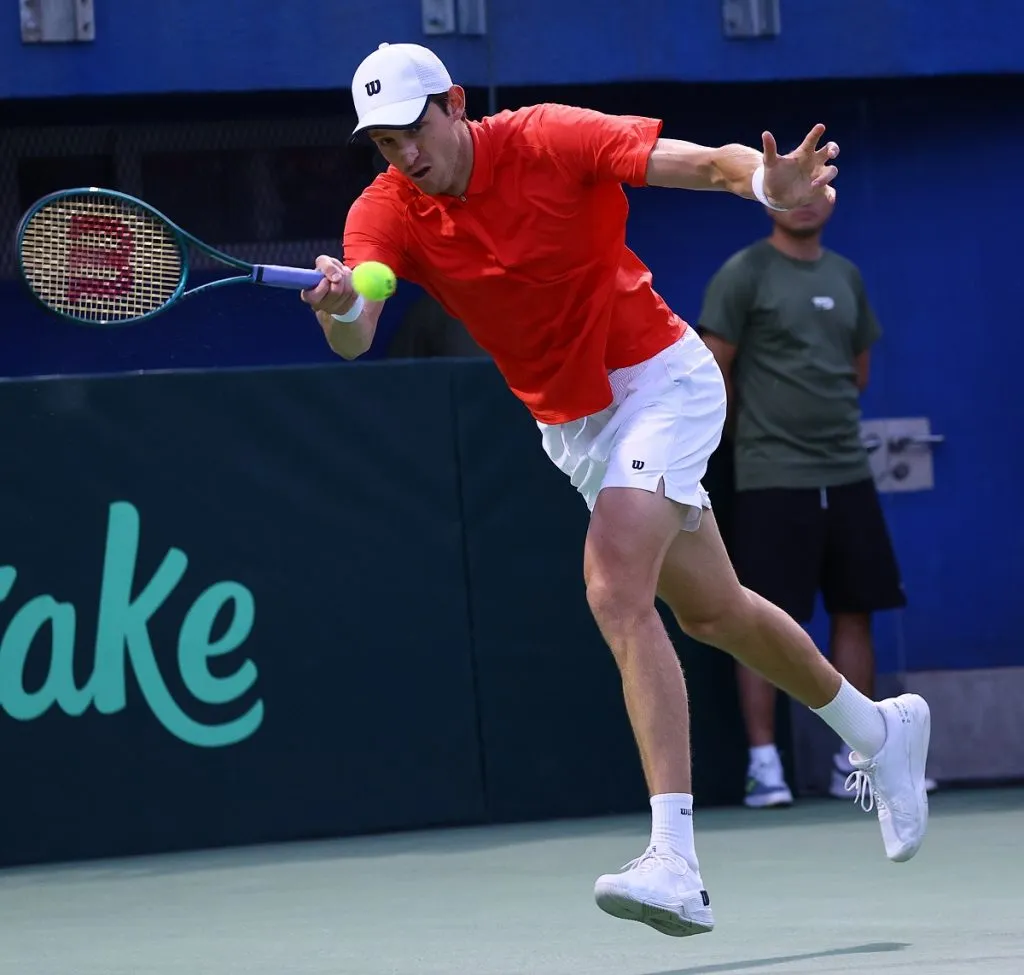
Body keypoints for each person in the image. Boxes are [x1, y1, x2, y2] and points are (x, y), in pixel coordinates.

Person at [300, 42, 932, 939]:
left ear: (454, 104)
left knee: (614, 587)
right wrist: (337, 309)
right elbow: (359, 332)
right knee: (716, 612)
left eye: (411, 131)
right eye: (383, 143)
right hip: (576, 428)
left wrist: (770, 185)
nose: (403, 154)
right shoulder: (386, 212)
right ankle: (878, 729)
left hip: (660, 380)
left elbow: (707, 164)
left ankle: (675, 857)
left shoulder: (550, 138)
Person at [698, 197, 932, 810]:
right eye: (791, 190)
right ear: (771, 200)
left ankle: (856, 762)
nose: (805, 202)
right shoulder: (743, 273)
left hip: (847, 471)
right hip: (772, 475)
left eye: (818, 189)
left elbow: (857, 371)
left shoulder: (845, 275)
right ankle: (763, 765)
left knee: (857, 611)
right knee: (761, 619)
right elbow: (713, 365)